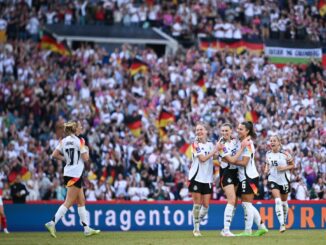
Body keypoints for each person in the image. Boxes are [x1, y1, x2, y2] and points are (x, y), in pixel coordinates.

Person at [45, 121, 100, 238]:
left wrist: (67, 159)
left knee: (81, 201)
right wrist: (86, 148)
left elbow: (54, 154)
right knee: (69, 202)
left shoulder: (64, 141)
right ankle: (52, 222)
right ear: (75, 129)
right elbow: (85, 158)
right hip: (75, 173)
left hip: (69, 172)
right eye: (80, 127)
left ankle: (86, 229)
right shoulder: (80, 141)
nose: (81, 128)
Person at [233, 121, 268, 237]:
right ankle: (262, 227)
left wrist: (230, 161)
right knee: (247, 204)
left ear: (247, 131)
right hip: (248, 177)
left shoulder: (247, 143)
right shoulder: (243, 142)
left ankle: (248, 231)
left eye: (241, 129)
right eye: (238, 128)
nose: (238, 130)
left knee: (246, 204)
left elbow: (244, 162)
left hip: (249, 177)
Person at [189, 122, 219, 237]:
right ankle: (196, 229)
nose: (199, 132)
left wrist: (220, 151)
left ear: (206, 131)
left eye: (201, 129)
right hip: (196, 177)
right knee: (197, 204)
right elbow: (202, 159)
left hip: (208, 179)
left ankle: (196, 221)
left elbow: (214, 156)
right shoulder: (195, 144)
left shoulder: (210, 144)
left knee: (206, 206)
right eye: (197, 130)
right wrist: (215, 150)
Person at [218, 123, 247, 237]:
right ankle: (226, 230)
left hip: (236, 173)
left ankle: (225, 228)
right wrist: (242, 148)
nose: (224, 133)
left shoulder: (235, 141)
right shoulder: (220, 144)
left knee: (234, 202)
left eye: (226, 131)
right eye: (222, 131)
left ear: (231, 131)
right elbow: (232, 160)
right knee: (231, 199)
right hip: (226, 173)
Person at [264, 135, 294, 232]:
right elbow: (267, 164)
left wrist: (284, 168)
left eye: (274, 141)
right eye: (271, 141)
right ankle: (281, 224)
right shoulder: (268, 154)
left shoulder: (285, 154)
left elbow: (292, 165)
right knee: (277, 200)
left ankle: (284, 221)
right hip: (273, 179)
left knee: (284, 203)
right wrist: (266, 169)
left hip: (284, 180)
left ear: (279, 142)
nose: (272, 142)